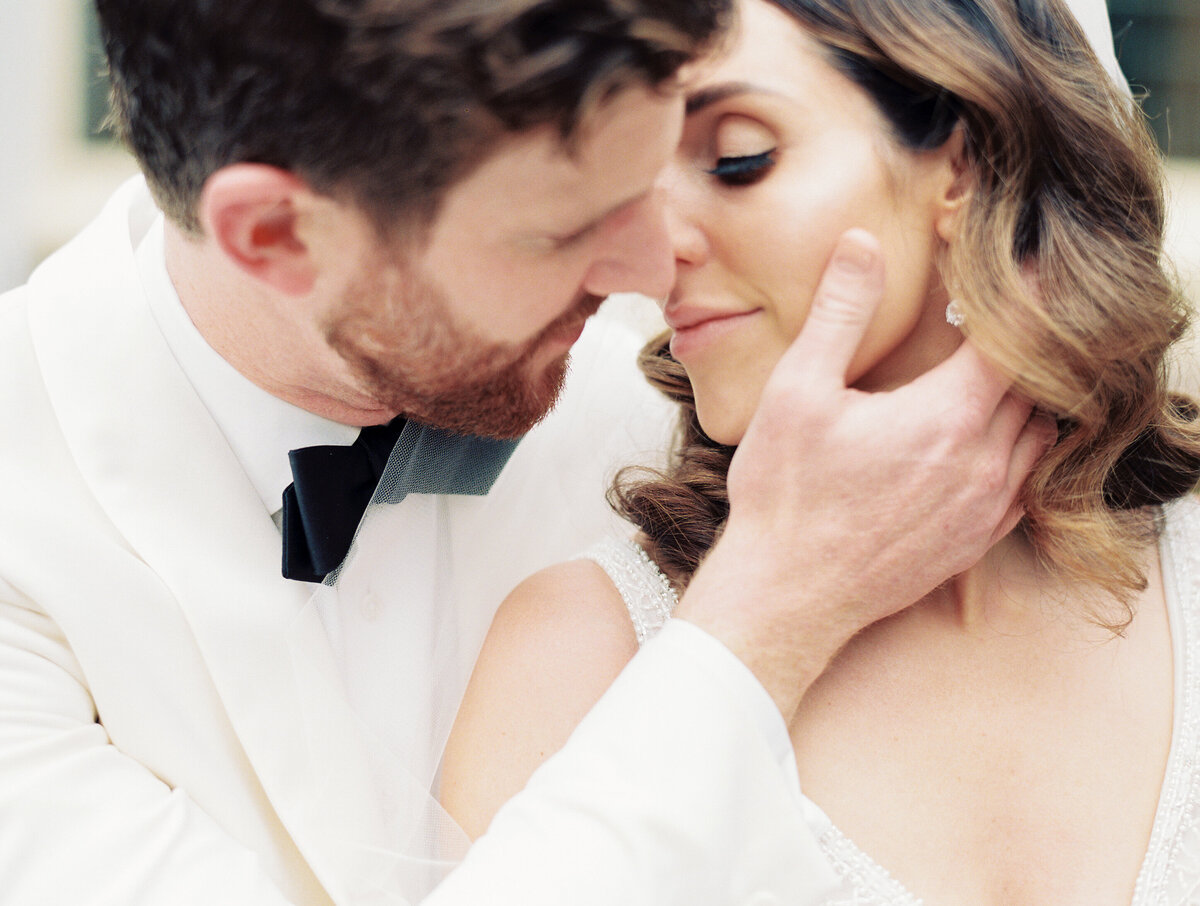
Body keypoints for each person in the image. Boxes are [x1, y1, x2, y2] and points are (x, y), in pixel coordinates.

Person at [0, 1, 1113, 904]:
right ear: (280, 235)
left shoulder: (686, 400)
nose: (650, 271)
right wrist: (769, 612)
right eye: (564, 226)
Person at [441, 0, 1200, 903]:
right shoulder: (581, 653)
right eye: (631, 186)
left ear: (962, 163)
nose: (652, 256)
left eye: (735, 159)